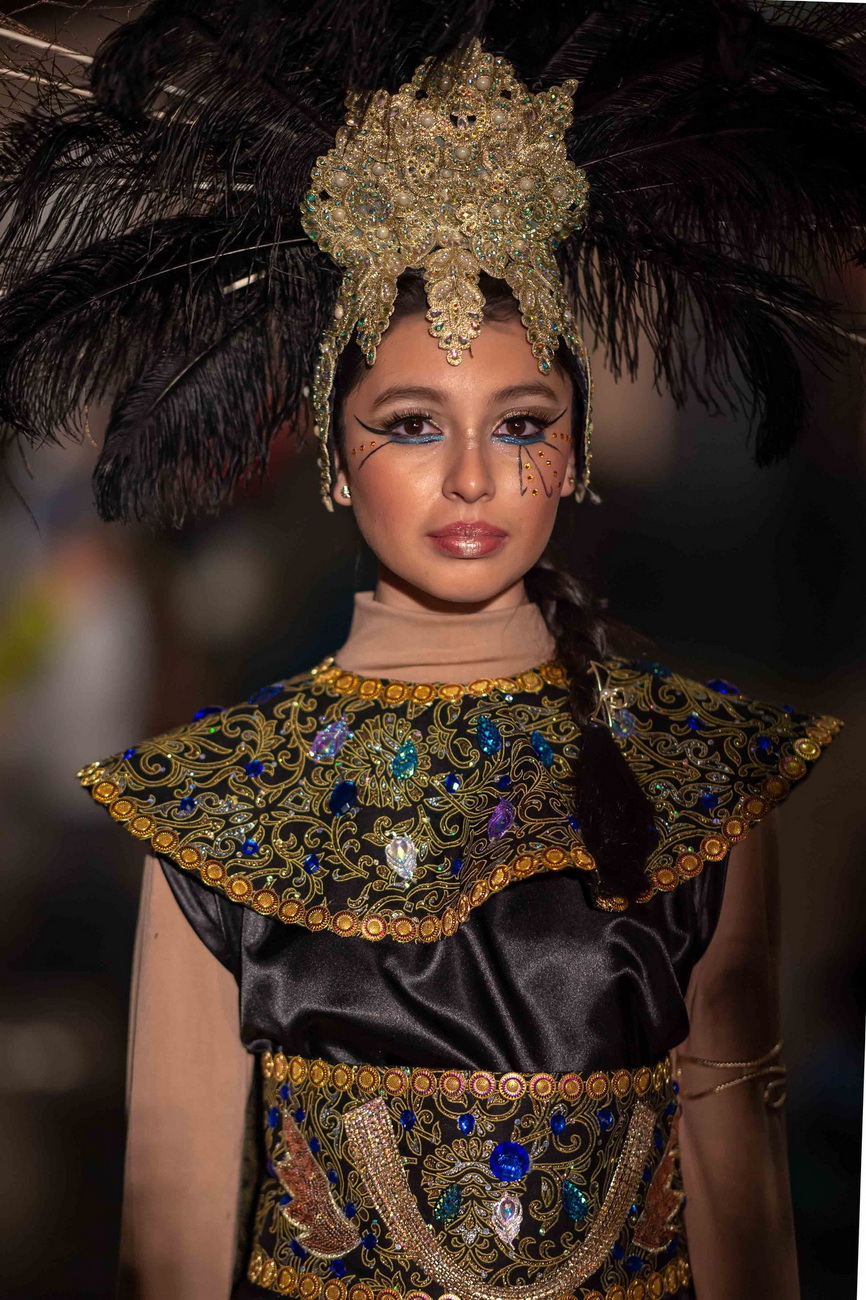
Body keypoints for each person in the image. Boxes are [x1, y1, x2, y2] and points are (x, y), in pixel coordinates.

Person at [0, 5, 863, 1299]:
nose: (471, 476)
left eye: (519, 423)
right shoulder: (211, 809)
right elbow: (170, 1237)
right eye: (412, 422)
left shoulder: (699, 779)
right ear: (335, 455)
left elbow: (743, 1206)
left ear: (571, 451)